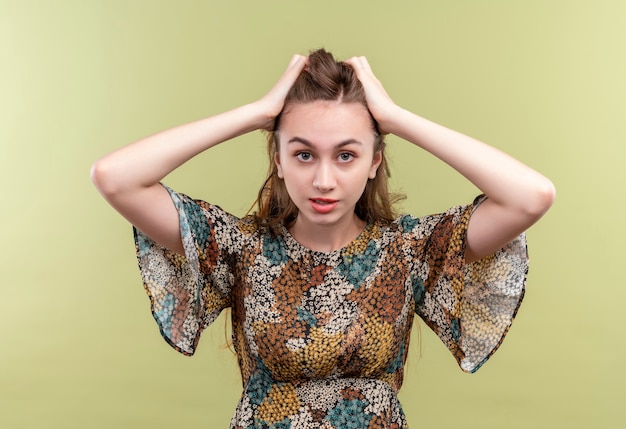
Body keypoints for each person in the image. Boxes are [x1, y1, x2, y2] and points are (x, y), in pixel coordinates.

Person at [91, 49, 555, 428]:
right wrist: (257, 114)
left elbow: (530, 197)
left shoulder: (407, 250)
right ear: (278, 158)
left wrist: (395, 118)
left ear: (375, 160)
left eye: (347, 155)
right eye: (304, 154)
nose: (324, 180)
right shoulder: (240, 248)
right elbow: (115, 178)